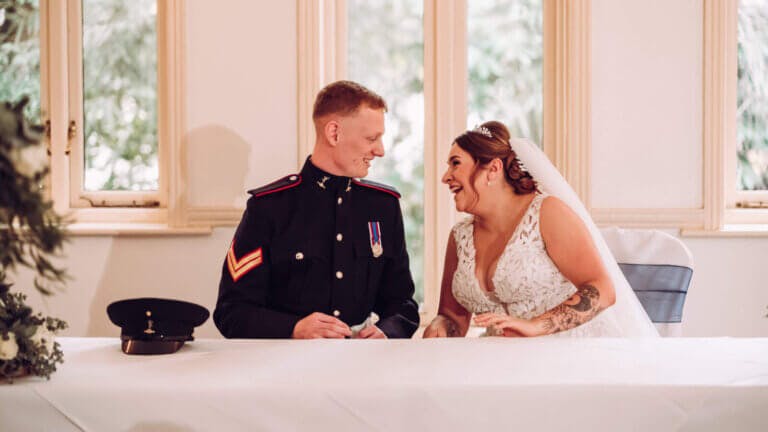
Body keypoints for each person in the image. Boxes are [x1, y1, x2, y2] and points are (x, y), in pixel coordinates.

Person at [214, 80, 420, 339]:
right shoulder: (269, 208)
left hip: (362, 364)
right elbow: (231, 311)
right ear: (333, 133)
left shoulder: (382, 206)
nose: (380, 150)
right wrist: (293, 328)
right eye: (372, 138)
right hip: (283, 367)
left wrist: (387, 331)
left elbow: (403, 304)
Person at [424, 121, 657, 338]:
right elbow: (453, 315)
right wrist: (442, 324)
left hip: (570, 352)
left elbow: (603, 289)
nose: (446, 177)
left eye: (455, 163)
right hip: (502, 361)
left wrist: (536, 326)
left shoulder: (547, 213)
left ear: (493, 169)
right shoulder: (460, 236)